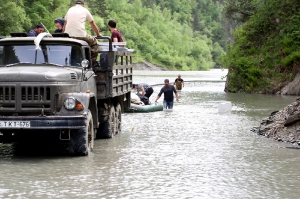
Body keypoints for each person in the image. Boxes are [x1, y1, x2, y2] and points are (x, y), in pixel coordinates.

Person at [63, 0, 101, 65]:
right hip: (80, 35)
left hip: (68, 35)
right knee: (95, 43)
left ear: (75, 4)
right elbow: (92, 24)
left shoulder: (70, 9)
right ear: (83, 5)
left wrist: (63, 35)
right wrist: (98, 34)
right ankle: (90, 63)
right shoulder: (85, 10)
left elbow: (65, 24)